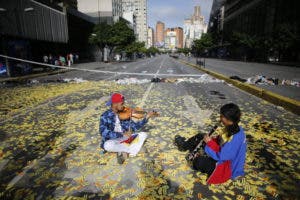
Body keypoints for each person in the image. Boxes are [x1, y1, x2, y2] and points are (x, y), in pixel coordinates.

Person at [175, 103, 246, 184]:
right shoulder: (233, 127)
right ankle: (183, 146)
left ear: (229, 120)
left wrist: (209, 142)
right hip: (222, 154)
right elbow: (221, 141)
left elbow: (222, 156)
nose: (220, 118)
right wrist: (210, 140)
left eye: (222, 116)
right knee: (200, 136)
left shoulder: (235, 138)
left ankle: (196, 157)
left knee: (199, 162)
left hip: (225, 167)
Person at [99, 93, 157, 164]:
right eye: (121, 104)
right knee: (107, 145)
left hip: (125, 138)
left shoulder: (125, 114)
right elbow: (103, 132)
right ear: (115, 104)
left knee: (143, 134)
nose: (123, 106)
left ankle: (125, 152)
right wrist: (121, 134)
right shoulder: (105, 116)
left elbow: (135, 127)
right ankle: (133, 150)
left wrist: (146, 117)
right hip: (113, 140)